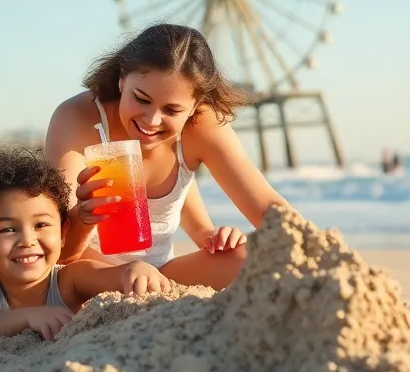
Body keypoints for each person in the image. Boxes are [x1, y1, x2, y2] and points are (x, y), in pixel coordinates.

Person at [43, 24, 288, 290]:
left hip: (163, 277)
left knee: (250, 255)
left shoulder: (202, 125)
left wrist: (216, 238)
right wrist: (82, 215)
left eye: (171, 110)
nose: (151, 121)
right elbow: (57, 251)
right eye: (141, 98)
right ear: (122, 78)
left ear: (196, 106)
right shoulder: (77, 119)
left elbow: (269, 210)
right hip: (88, 274)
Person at [0, 148, 172, 344]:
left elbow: (115, 276)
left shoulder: (69, 279)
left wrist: (135, 269)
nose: (27, 240)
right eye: (8, 229)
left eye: (40, 224)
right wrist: (29, 317)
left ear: (62, 233)